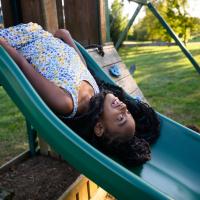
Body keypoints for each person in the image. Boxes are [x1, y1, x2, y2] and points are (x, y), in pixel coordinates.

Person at [0, 23, 160, 166]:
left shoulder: (66, 102)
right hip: (38, 32)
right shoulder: (97, 92)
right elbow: (81, 66)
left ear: (99, 128)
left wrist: (4, 45)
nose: (124, 107)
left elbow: (23, 66)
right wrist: (67, 38)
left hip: (18, 41)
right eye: (128, 112)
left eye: (120, 118)